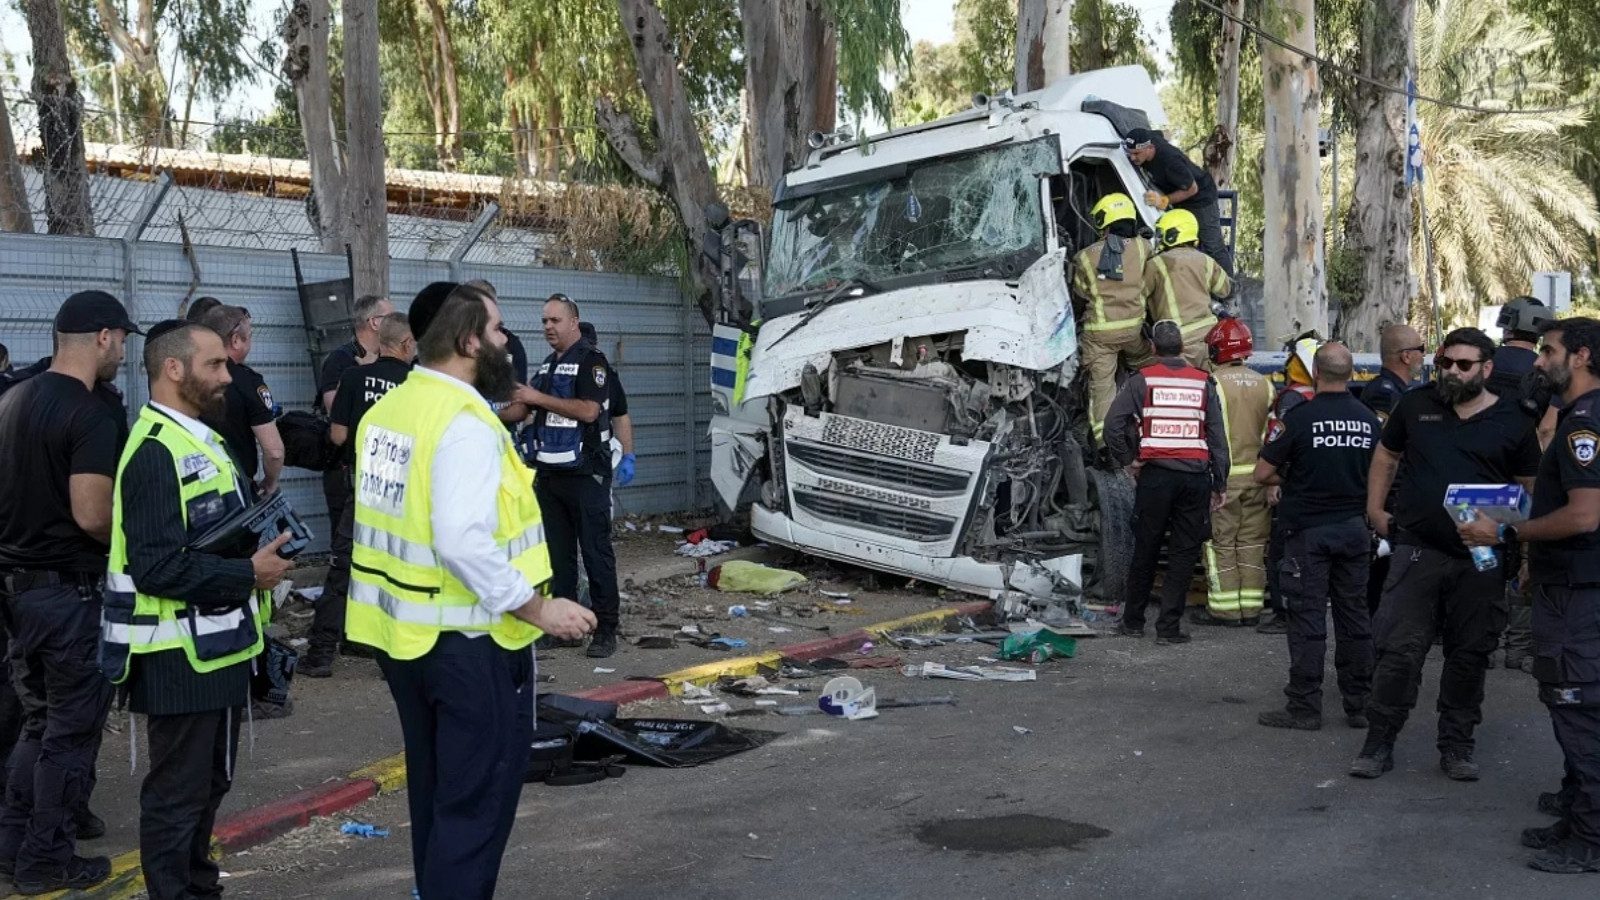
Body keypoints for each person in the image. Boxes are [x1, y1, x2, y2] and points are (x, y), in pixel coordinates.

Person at [347, 284, 594, 898]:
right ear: (467, 342)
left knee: (437, 797)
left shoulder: (388, 413)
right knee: (473, 811)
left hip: (404, 640)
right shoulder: (465, 424)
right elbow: (461, 539)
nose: (507, 342)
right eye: (498, 330)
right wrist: (539, 609)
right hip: (468, 645)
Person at [102, 320, 294, 900]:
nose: (227, 376)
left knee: (209, 785)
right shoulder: (155, 452)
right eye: (214, 364)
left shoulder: (201, 438)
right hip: (175, 658)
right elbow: (156, 568)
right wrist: (247, 574)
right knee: (177, 796)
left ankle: (199, 887)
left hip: (217, 649)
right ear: (173, 368)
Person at [1350, 327, 1540, 781]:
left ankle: (1457, 746)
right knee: (1398, 652)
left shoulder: (1513, 419)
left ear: (1486, 369)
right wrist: (1375, 509)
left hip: (1482, 558)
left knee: (1469, 654)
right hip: (1417, 549)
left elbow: (1529, 489)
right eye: (1445, 363)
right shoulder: (1416, 405)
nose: (1452, 371)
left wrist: (1524, 550)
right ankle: (1378, 743)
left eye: (1463, 364)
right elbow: (1386, 456)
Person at [0, 291, 139, 893]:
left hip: (19, 594)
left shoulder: (13, 399)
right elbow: (91, 513)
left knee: (39, 725)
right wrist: (132, 545)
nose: (123, 353)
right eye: (122, 340)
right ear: (103, 337)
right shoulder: (89, 412)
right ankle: (45, 861)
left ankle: (13, 845)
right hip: (70, 596)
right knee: (70, 734)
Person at [1458, 316, 1600, 874]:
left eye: (1549, 351)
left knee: (1577, 705)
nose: (1539, 361)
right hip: (1571, 585)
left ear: (1581, 357)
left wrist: (1507, 532)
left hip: (1578, 594)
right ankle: (1576, 811)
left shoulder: (1583, 425)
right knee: (1577, 704)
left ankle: (1590, 838)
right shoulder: (1579, 417)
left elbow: (1584, 515)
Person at [1254, 343, 1380, 731]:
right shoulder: (1368, 420)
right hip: (1355, 530)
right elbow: (1384, 471)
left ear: (1316, 373)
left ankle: (1305, 706)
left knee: (1307, 618)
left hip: (1308, 532)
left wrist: (1295, 476)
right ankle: (1360, 703)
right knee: (1354, 616)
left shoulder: (1300, 418)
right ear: (1351, 373)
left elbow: (1262, 473)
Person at [301, 313, 416, 678]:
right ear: (406, 345)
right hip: (406, 492)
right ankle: (394, 655)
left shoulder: (353, 377)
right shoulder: (417, 384)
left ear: (380, 342)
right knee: (399, 570)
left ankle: (321, 654)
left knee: (343, 567)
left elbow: (337, 435)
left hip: (366, 488)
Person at [1105, 320, 1230, 645]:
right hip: (1195, 480)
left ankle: (1133, 622)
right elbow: (1217, 437)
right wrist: (1220, 483)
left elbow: (1113, 424)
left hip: (1156, 478)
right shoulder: (1203, 382)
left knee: (1146, 549)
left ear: (1153, 348)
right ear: (1183, 348)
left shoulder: (1141, 380)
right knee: (1183, 553)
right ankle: (1168, 628)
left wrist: (1129, 460)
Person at [518, 294, 623, 658]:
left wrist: (537, 398)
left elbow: (589, 410)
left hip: (586, 473)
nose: (548, 327)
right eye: (544, 321)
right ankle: (566, 629)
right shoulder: (548, 365)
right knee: (558, 557)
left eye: (555, 320)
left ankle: (606, 629)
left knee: (595, 553)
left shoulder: (592, 361)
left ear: (574, 322)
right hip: (550, 473)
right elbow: (525, 406)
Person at [314, 294, 396, 674]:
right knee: (346, 557)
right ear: (375, 322)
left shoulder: (391, 368)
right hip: (347, 473)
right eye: (391, 314)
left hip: (384, 478)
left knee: (374, 560)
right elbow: (338, 417)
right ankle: (336, 640)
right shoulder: (342, 361)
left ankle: (359, 636)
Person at [1488, 297, 1556, 673]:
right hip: (1527, 476)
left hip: (1484, 472)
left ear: (1507, 323)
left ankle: (1483, 642)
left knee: (1484, 554)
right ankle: (1517, 648)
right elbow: (1546, 429)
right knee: (1525, 560)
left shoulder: (1484, 362)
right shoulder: (1546, 368)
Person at [1196, 317, 1272, 625]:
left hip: (1224, 481)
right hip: (1259, 479)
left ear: (1217, 350)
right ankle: (1251, 610)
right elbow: (1272, 435)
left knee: (1221, 543)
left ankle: (1225, 610)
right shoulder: (1265, 384)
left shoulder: (1212, 383)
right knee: (1253, 543)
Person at [1070, 192, 1153, 444]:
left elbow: (1080, 294)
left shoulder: (1084, 257)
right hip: (1133, 331)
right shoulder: (1143, 247)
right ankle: (1150, 416)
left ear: (1103, 222)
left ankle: (1105, 443)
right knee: (1145, 363)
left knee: (1102, 387)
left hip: (1100, 336)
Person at [1257, 334, 1322, 635]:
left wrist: (1273, 483)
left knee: (1281, 553)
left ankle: (1283, 613)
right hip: (1312, 486)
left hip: (1289, 486)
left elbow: (1281, 445)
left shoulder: (1292, 398)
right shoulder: (1319, 398)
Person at [1361, 325, 1426, 617]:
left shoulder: (1402, 391)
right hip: (1390, 494)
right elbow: (1384, 448)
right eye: (1421, 350)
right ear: (1406, 356)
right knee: (1386, 570)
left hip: (1399, 491)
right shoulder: (1384, 393)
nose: (1424, 356)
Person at [197, 305, 285, 498]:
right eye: (250, 336)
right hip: (235, 489)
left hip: (192, 488)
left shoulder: (187, 376)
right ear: (236, 340)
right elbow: (274, 452)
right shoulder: (248, 382)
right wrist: (270, 482)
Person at [1123, 127, 1231, 273]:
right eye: (1130, 153)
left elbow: (1192, 189)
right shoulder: (1149, 138)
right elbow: (1162, 133)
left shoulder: (1170, 161)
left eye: (1136, 153)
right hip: (1181, 198)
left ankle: (1230, 284)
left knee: (1213, 246)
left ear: (1150, 148)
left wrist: (1163, 201)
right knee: (1185, 243)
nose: (1132, 158)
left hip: (1201, 198)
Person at [1141, 209, 1232, 369]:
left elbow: (1138, 297)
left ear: (1172, 235)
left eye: (1162, 234)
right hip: (1209, 337)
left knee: (1183, 381)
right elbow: (1224, 289)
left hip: (1176, 340)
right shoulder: (1206, 260)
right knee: (1211, 381)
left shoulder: (1156, 264)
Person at [579, 321, 636, 487]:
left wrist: (628, 456)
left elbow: (620, 415)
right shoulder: (559, 373)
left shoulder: (607, 375)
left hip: (597, 458)